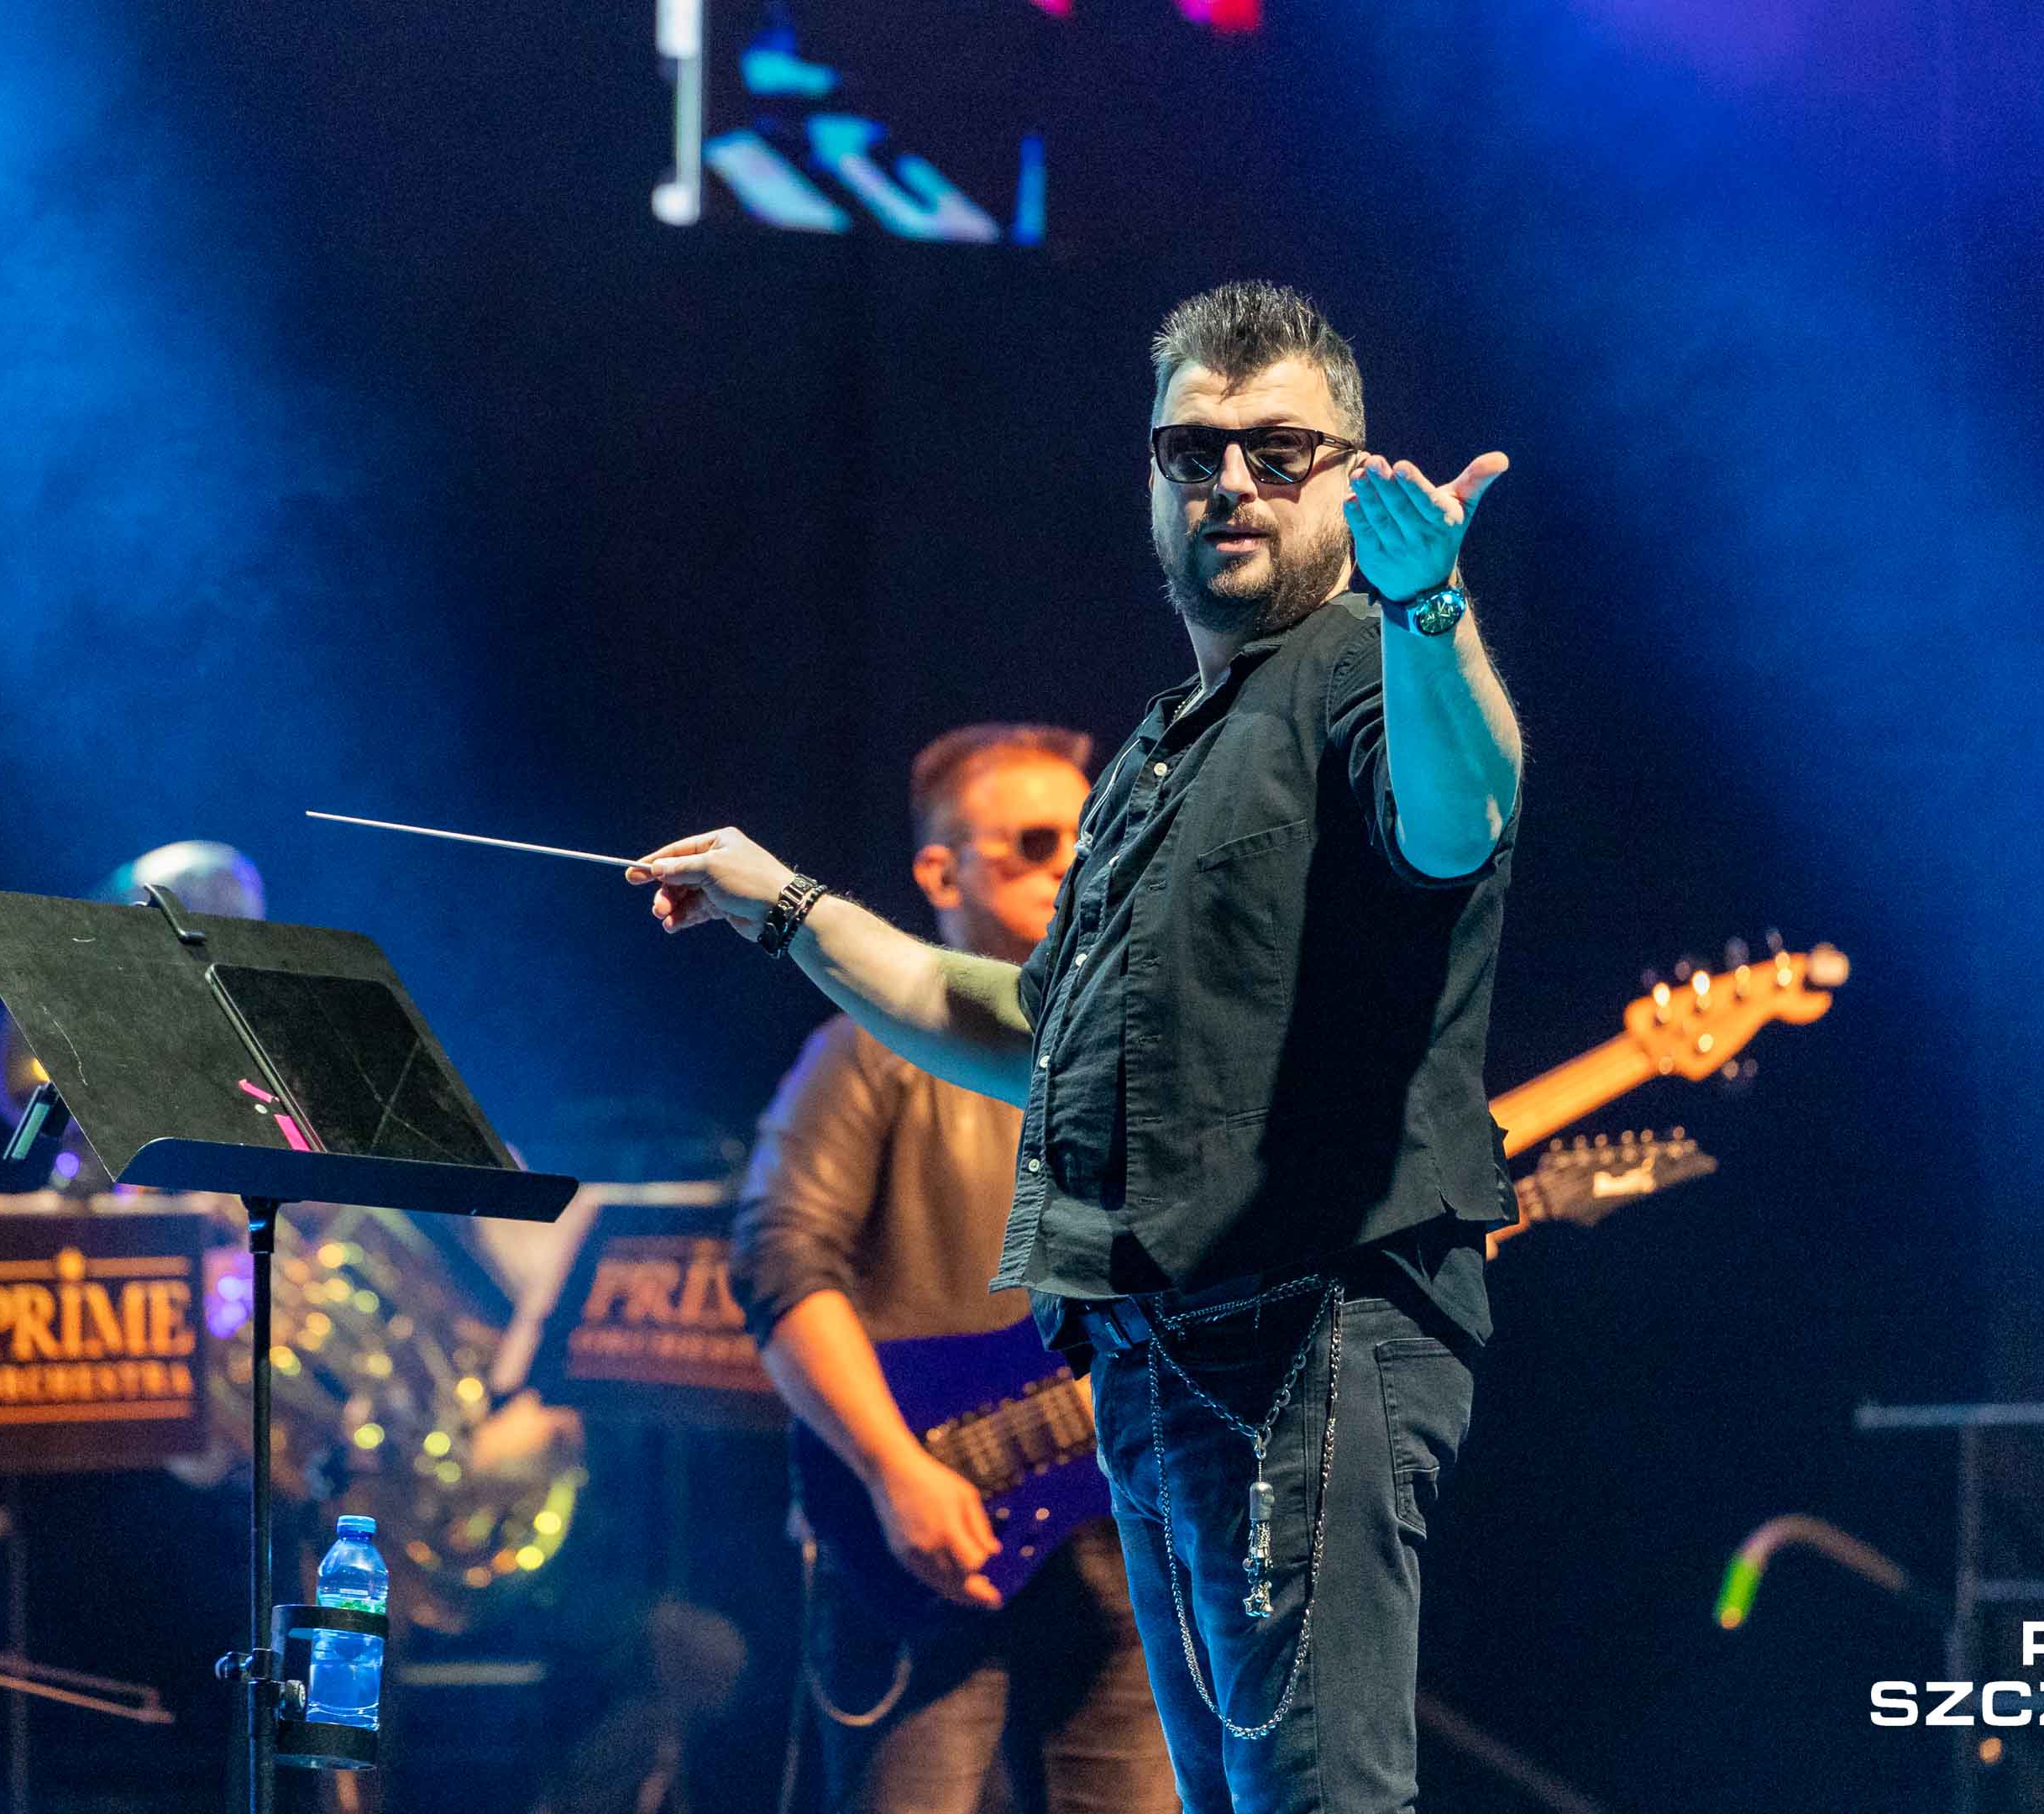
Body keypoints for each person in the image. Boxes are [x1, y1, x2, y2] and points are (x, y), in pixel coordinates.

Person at [628, 281, 1521, 1813]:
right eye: (1193, 451)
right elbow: (1024, 1028)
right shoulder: (1162, 751)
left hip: (1301, 1346)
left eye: (1279, 451)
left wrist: (1431, 610)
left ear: (1352, 475)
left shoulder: (1363, 665)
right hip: (1155, 1364)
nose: (1230, 482)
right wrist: (783, 908)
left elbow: (1462, 817)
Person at [733, 723, 1174, 1814]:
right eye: (1036, 841)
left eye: (1093, 832)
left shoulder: (1148, 1051)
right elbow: (782, 1260)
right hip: (921, 1532)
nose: (1074, 861)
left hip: (1126, 1530)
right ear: (940, 873)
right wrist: (894, 1467)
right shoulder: (864, 1053)